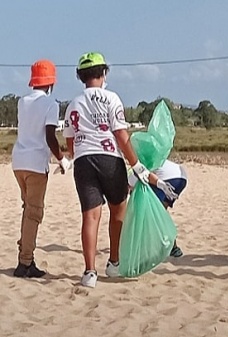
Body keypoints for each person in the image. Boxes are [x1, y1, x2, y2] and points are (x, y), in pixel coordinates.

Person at [64, 52, 154, 288]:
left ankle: (89, 272)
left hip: (83, 161)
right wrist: (136, 164)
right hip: (109, 159)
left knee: (90, 216)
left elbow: (70, 141)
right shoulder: (112, 98)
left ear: (80, 76)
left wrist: (74, 156)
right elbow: (121, 135)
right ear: (103, 73)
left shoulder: (73, 104)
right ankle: (114, 262)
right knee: (118, 209)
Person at [11, 59, 72, 278]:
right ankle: (25, 262)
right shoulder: (50, 104)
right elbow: (49, 135)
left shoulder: (22, 101)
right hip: (36, 163)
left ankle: (25, 256)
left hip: (18, 161)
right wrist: (62, 159)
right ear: (51, 83)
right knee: (34, 213)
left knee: (27, 209)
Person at [128, 159, 186, 257]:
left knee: (155, 213)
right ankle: (173, 247)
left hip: (168, 178)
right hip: (181, 177)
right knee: (161, 211)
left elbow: (134, 194)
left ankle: (172, 247)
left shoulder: (131, 177)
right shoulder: (141, 164)